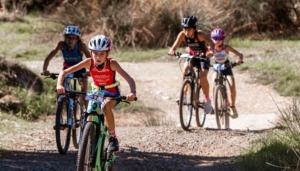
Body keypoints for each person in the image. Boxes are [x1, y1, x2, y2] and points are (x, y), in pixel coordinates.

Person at [56, 34, 137, 152]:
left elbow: (129, 79)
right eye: (95, 53)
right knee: (89, 114)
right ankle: (89, 137)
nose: (98, 57)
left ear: (107, 53)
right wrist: (59, 84)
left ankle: (112, 137)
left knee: (106, 106)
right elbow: (64, 72)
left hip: (112, 92)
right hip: (96, 91)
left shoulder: (112, 63)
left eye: (102, 54)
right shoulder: (89, 62)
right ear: (91, 52)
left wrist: (132, 92)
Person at [168, 15, 215, 114]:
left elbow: (211, 42)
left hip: (203, 56)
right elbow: (174, 46)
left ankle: (207, 100)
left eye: (189, 29)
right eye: (184, 29)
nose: (186, 32)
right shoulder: (182, 35)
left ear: (194, 29)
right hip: (192, 55)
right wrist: (172, 51)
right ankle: (183, 95)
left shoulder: (200, 34)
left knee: (202, 76)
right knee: (185, 69)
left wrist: (211, 51)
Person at [42, 25, 91, 109]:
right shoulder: (61, 45)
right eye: (68, 37)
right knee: (60, 92)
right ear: (65, 38)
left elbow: (90, 60)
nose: (70, 40)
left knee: (84, 93)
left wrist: (91, 71)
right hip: (67, 69)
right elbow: (48, 57)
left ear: (77, 39)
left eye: (73, 38)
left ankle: (88, 114)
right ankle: (59, 117)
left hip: (80, 69)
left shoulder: (81, 46)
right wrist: (44, 69)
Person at [210, 28, 243, 118]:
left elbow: (239, 54)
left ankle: (232, 106)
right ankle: (214, 105)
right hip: (216, 67)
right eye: (214, 38)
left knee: (232, 86)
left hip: (227, 67)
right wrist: (207, 55)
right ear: (211, 39)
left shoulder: (226, 47)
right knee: (213, 83)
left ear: (223, 39)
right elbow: (206, 54)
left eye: (219, 38)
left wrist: (239, 59)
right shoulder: (211, 48)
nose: (217, 41)